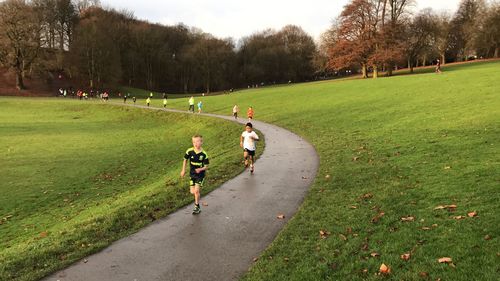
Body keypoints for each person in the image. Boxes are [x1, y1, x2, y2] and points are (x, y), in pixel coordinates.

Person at [180, 135, 209, 215]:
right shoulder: (189, 151)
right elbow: (185, 160)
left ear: (201, 142)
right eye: (194, 142)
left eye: (197, 141)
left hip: (200, 175)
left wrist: (200, 169)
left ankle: (197, 207)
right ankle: (198, 197)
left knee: (196, 191)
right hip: (192, 174)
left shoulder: (204, 154)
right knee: (192, 192)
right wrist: (183, 170)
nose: (195, 143)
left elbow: (206, 167)